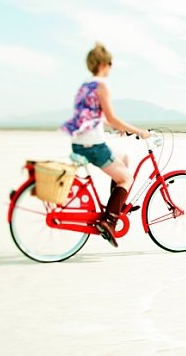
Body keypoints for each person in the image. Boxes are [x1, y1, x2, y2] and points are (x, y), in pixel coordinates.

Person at [61, 43, 150, 247]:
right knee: (127, 179)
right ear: (102, 64)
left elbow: (94, 117)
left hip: (79, 143)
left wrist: (115, 127)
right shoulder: (101, 86)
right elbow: (111, 117)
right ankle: (109, 221)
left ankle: (114, 207)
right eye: (110, 63)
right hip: (93, 146)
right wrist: (139, 131)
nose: (110, 67)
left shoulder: (85, 86)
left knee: (124, 158)